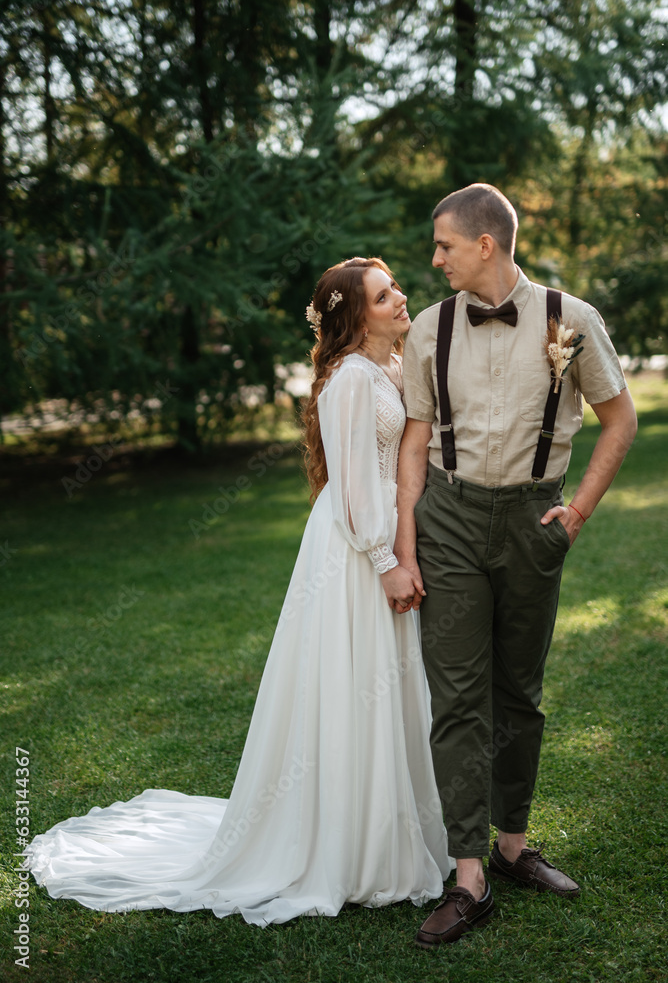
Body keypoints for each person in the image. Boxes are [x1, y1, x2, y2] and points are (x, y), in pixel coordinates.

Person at [24, 257, 454, 926]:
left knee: (386, 683)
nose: (400, 298)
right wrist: (385, 559)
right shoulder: (348, 382)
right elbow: (349, 487)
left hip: (381, 546)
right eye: (383, 294)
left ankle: (392, 830)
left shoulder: (392, 369)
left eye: (395, 286)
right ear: (353, 317)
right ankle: (347, 846)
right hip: (353, 555)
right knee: (353, 683)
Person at [394, 184, 637, 948]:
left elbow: (620, 416)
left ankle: (512, 846)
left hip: (535, 520)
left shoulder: (573, 319)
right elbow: (412, 442)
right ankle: (469, 876)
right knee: (459, 695)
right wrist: (405, 544)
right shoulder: (428, 330)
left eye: (444, 246)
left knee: (520, 693)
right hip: (451, 518)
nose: (434, 260)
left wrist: (581, 510)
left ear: (486, 244)